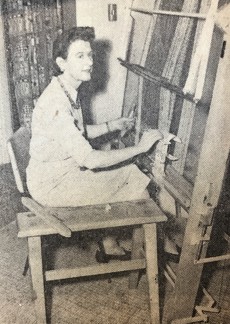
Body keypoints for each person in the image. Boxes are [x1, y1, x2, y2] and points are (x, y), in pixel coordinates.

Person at [26, 27, 163, 262]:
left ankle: (112, 244)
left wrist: (112, 125)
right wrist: (141, 148)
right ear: (61, 63)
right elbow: (89, 158)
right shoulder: (57, 103)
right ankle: (156, 253)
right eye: (80, 56)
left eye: (90, 55)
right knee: (134, 180)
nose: (89, 62)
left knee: (129, 173)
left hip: (56, 174)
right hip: (52, 186)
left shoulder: (66, 90)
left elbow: (76, 134)